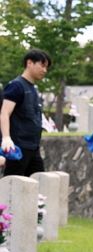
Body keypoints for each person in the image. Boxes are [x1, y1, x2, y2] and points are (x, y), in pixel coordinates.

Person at [0, 49, 52, 177]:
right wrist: (6, 138)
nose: (44, 70)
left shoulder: (33, 89)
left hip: (33, 147)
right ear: (30, 63)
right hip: (18, 147)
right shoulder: (16, 86)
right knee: (14, 187)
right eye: (42, 65)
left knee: (39, 183)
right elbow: (4, 113)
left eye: (46, 67)